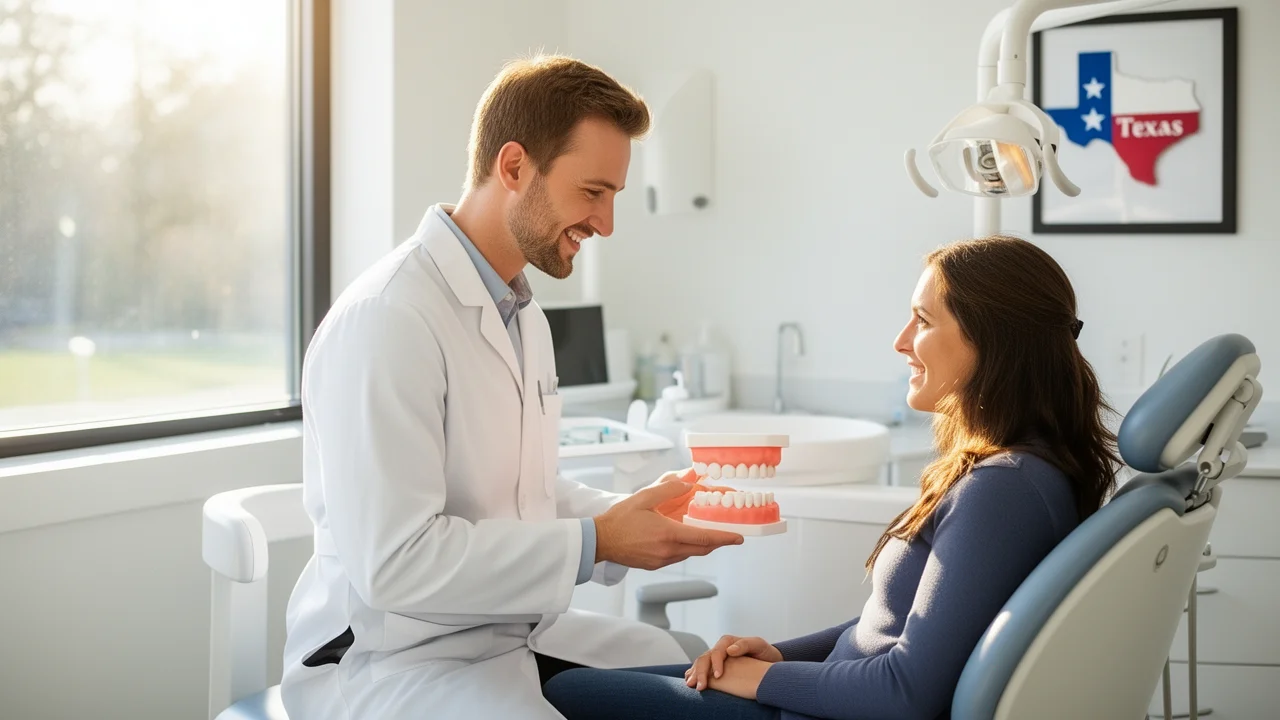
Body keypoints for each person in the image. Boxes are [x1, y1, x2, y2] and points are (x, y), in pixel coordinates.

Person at [279, 55, 745, 720]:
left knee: (689, 659)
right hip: (390, 662)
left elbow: (521, 493)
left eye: (613, 194)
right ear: (514, 167)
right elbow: (396, 564)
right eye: (593, 192)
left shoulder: (519, 311)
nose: (607, 223)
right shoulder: (389, 319)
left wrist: (629, 517)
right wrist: (598, 542)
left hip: (499, 634)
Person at [543, 235, 1122, 720]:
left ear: (990, 340)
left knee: (559, 694)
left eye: (922, 320)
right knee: (556, 677)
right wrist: (779, 655)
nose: (900, 341)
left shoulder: (1005, 488)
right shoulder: (1020, 473)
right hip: (825, 691)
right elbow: (896, 625)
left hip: (826, 710)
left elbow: (907, 693)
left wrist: (763, 682)